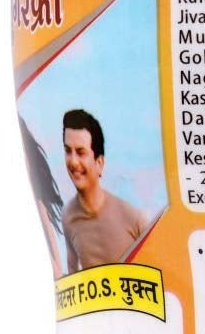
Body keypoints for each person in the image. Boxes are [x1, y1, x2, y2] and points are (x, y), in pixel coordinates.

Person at [59, 108, 148, 271]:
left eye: (80, 152)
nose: (73, 162)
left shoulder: (134, 219)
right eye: (68, 151)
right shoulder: (68, 216)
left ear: (99, 163)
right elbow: (72, 267)